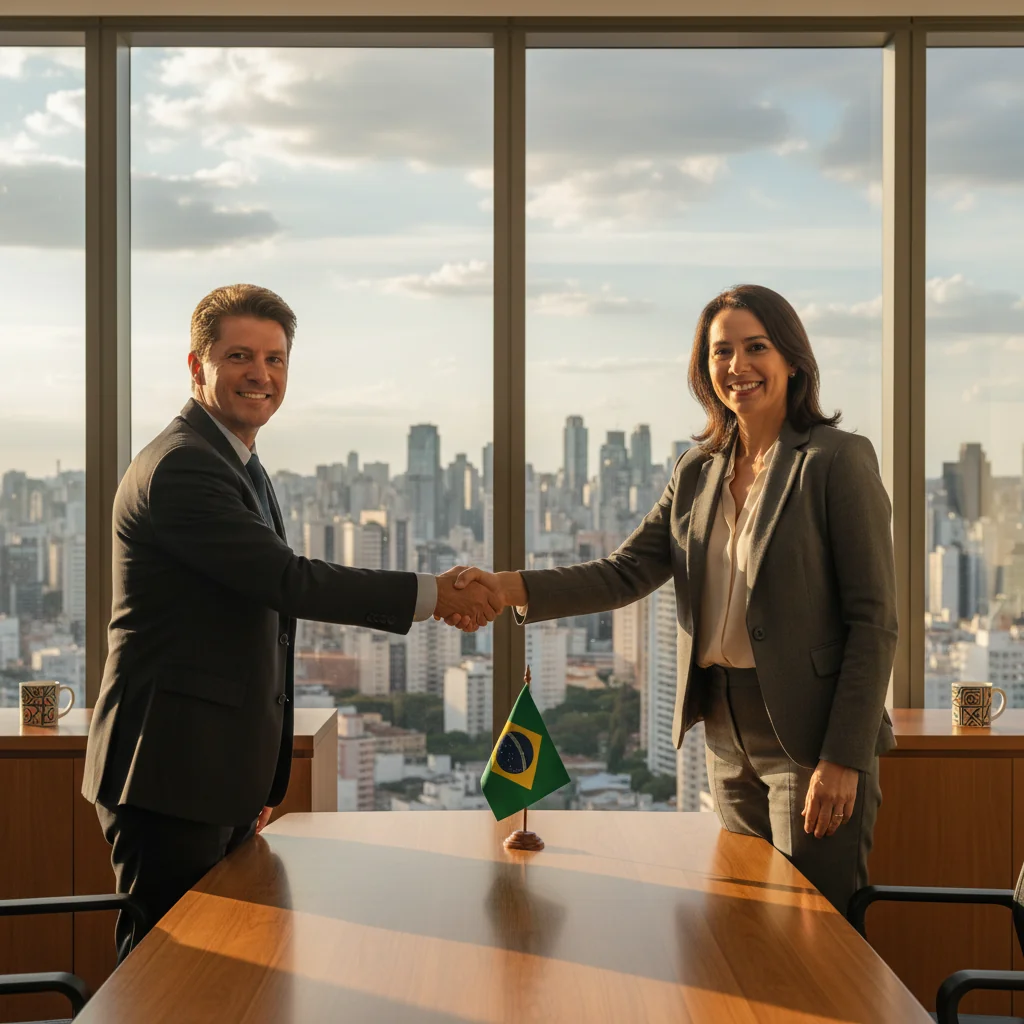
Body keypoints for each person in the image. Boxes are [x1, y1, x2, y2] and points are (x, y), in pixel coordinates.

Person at [82, 283, 499, 961]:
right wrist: (437, 595)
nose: (261, 374)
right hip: (169, 772)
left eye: (275, 359)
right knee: (166, 974)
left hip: (207, 773)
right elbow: (286, 580)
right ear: (197, 366)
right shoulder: (185, 465)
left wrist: (250, 779)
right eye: (240, 355)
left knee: (211, 972)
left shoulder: (234, 459)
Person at [450, 284, 897, 914]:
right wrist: (505, 588)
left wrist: (844, 757)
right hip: (723, 730)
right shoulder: (699, 468)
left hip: (810, 733)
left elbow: (873, 621)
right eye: (721, 352)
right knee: (741, 927)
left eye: (756, 347)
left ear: (793, 359)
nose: (737, 366)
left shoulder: (835, 460)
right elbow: (626, 570)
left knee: (817, 936)